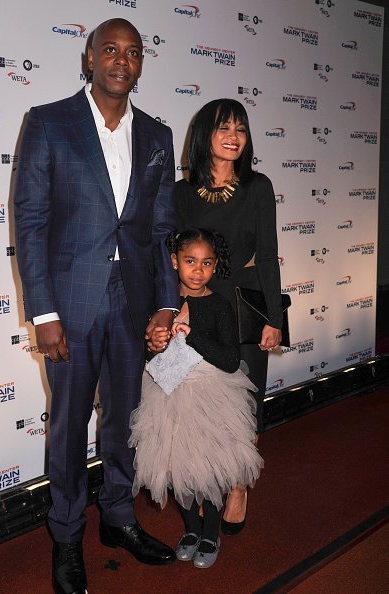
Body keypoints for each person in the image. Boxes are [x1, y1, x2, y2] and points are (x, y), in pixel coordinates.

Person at [14, 18, 180, 594]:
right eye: (109, 49)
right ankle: (65, 535)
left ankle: (119, 519)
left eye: (132, 52)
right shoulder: (49, 123)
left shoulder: (158, 136)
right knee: (67, 428)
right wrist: (43, 313)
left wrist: (166, 301)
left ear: (140, 65)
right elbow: (30, 224)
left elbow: (162, 230)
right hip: (70, 308)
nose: (121, 60)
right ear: (89, 58)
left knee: (126, 421)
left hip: (133, 306)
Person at [173, 99, 283, 536]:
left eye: (240, 127)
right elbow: (175, 255)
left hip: (247, 306)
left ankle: (238, 485)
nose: (234, 135)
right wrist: (178, 305)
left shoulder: (258, 187)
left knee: (245, 403)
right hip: (200, 308)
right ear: (205, 135)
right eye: (224, 127)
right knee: (204, 404)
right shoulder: (181, 193)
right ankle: (204, 478)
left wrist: (274, 317)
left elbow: (269, 255)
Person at [129, 228, 263, 568]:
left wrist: (192, 334)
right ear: (174, 262)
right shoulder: (162, 305)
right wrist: (154, 344)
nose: (198, 270)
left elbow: (231, 360)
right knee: (178, 466)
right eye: (190, 261)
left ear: (215, 266)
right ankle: (191, 529)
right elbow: (148, 354)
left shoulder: (219, 305)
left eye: (206, 263)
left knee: (211, 468)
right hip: (167, 396)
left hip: (211, 394)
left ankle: (210, 532)